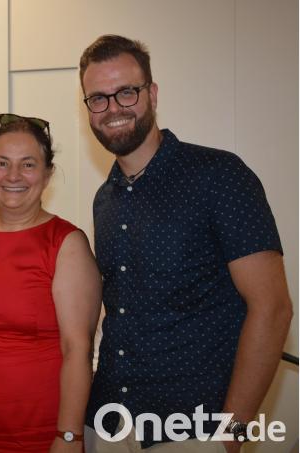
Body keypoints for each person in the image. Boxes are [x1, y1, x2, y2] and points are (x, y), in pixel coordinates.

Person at [79, 35, 293, 452]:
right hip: (109, 423)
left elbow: (273, 308)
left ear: (152, 93)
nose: (113, 108)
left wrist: (229, 436)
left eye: (126, 92)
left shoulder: (219, 176)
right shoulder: (105, 198)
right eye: (98, 98)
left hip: (192, 428)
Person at [0, 114, 102, 452]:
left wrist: (69, 435)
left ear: (47, 174)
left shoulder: (66, 243)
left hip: (39, 434)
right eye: (2, 163)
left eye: (27, 164)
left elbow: (78, 350)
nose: (13, 176)